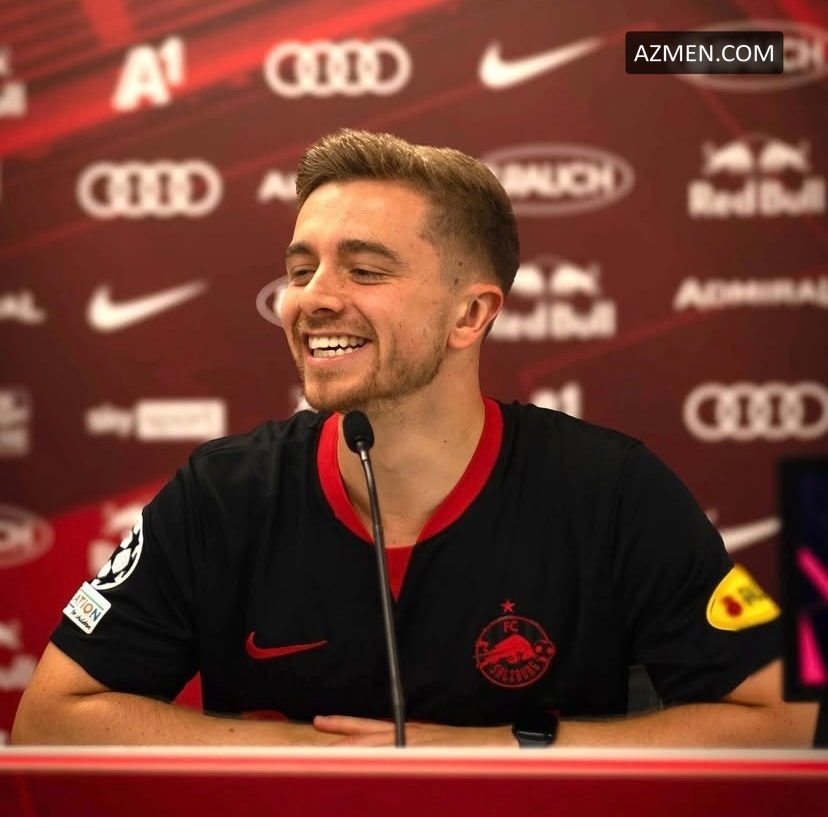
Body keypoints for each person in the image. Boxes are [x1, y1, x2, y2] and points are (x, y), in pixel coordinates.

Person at [11, 129, 817, 747]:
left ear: (471, 314)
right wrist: (315, 755)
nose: (311, 299)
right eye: (300, 269)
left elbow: (787, 716)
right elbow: (52, 718)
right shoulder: (220, 494)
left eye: (364, 270)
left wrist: (498, 751)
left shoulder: (612, 490)